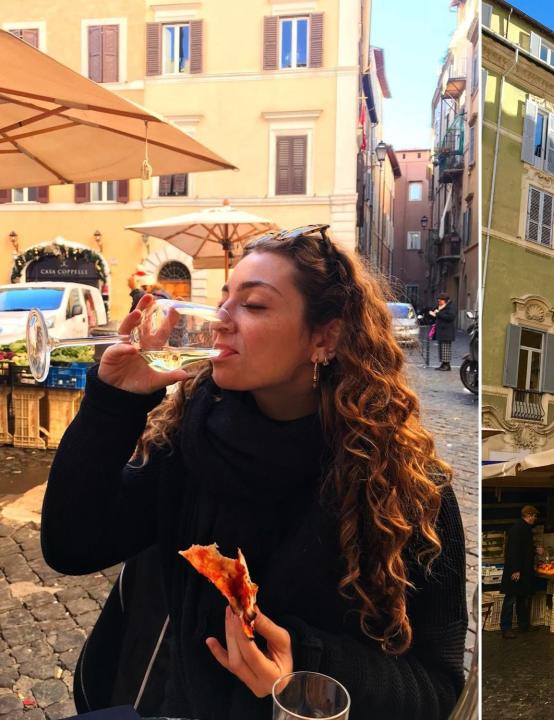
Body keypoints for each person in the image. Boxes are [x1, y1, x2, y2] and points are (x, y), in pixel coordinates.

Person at [41, 225, 467, 720]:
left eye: (254, 305)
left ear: (325, 336)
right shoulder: (191, 438)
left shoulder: (406, 487)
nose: (220, 322)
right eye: (224, 300)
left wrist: (305, 669)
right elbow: (72, 546)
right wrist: (114, 402)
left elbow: (437, 685)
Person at [500, 505, 541, 639]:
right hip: (517, 569)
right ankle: (506, 628)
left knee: (521, 598)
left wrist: (535, 550)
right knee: (510, 599)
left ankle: (523, 624)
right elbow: (513, 551)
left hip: (523, 570)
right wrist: (515, 570)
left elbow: (525, 548)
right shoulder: (518, 529)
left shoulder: (524, 528)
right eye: (534, 516)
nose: (535, 518)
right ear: (529, 515)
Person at [428, 293, 456, 371]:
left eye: (440, 300)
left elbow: (451, 317)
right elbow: (436, 312)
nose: (439, 301)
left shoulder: (450, 307)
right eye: (438, 300)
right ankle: (443, 364)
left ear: (445, 301)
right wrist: (432, 314)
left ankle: (447, 365)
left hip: (447, 331)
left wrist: (438, 313)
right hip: (440, 330)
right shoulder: (439, 306)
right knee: (441, 348)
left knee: (445, 348)